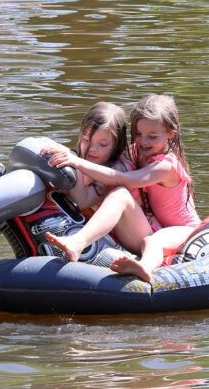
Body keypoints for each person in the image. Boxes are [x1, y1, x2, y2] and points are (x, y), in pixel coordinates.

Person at [44, 94, 201, 282]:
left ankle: (144, 267)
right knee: (143, 227)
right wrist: (67, 156)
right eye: (138, 134)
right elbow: (88, 194)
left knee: (151, 239)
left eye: (152, 136)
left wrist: (77, 162)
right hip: (151, 227)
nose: (143, 141)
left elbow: (123, 179)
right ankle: (78, 243)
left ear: (170, 134)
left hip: (185, 230)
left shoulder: (166, 166)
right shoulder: (134, 154)